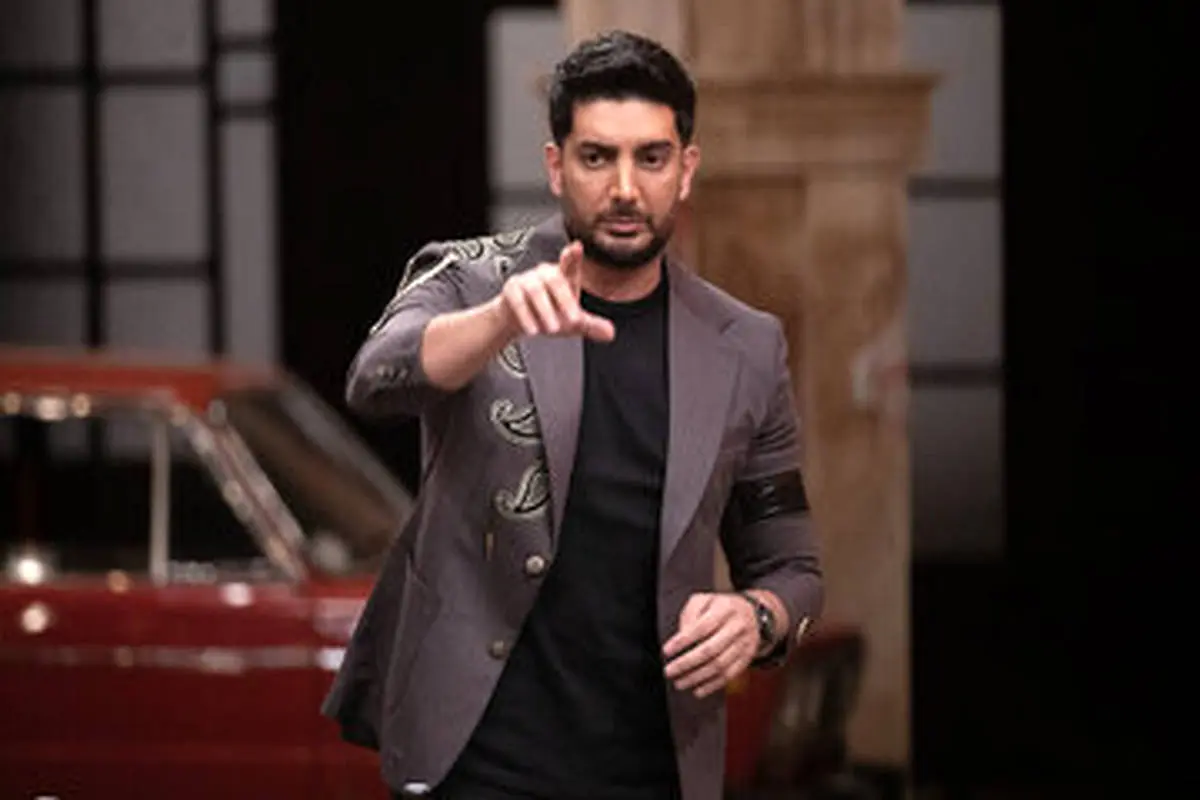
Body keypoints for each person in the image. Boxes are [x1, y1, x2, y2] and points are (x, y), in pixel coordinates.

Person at [322, 29, 824, 800]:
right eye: (597, 157)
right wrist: (499, 320)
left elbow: (792, 568)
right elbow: (374, 380)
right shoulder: (470, 279)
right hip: (478, 758)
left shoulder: (744, 347)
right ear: (556, 166)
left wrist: (756, 618)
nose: (625, 187)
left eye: (651, 158)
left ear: (686, 170)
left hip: (651, 759)